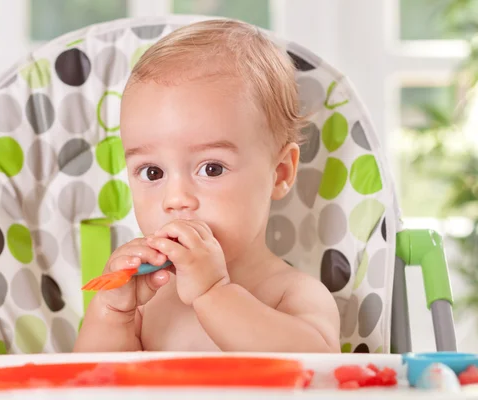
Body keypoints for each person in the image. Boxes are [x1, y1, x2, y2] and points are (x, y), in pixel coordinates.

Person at [75, 19, 340, 353]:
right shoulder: (146, 303)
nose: (176, 199)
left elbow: (320, 370)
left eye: (211, 168)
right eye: (152, 172)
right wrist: (112, 313)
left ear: (281, 172)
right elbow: (89, 382)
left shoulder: (290, 292)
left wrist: (213, 293)